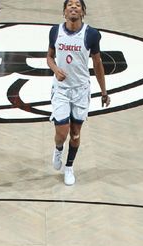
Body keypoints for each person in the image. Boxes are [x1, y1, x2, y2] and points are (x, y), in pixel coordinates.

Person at [46, 0, 109, 186]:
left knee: (75, 133)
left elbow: (97, 64)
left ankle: (69, 167)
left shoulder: (91, 34)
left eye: (78, 5)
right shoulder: (55, 31)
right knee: (62, 132)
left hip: (81, 89)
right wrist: (55, 69)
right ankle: (58, 149)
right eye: (70, 4)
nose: (74, 6)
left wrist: (104, 92)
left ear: (83, 12)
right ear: (64, 11)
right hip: (61, 90)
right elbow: (49, 57)